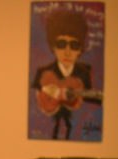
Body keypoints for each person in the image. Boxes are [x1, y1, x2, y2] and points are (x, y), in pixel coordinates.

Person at [31, 9, 100, 140]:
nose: (67, 52)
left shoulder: (85, 72)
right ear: (53, 46)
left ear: (80, 49)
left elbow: (92, 101)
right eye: (61, 44)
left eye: (74, 45)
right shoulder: (43, 72)